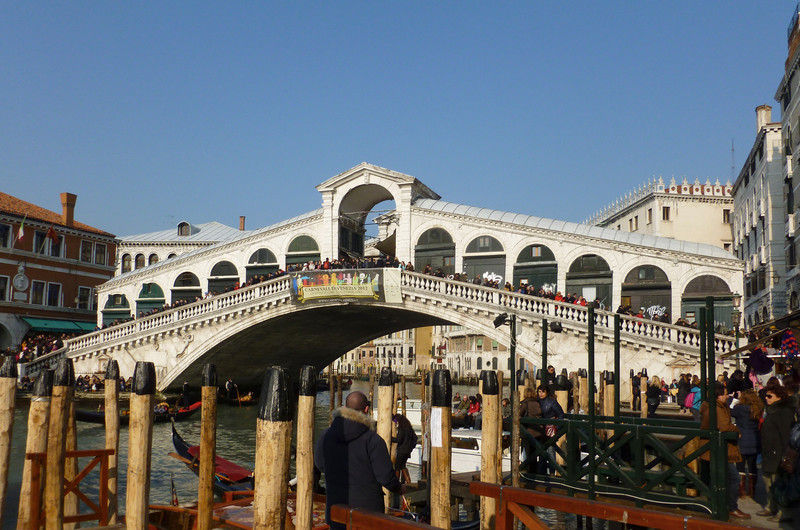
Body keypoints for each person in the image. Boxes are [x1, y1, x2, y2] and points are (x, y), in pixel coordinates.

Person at [314, 391, 406, 529]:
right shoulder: (373, 440)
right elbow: (386, 477)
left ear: (345, 407)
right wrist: (400, 488)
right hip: (367, 512)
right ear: (366, 409)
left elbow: (320, 464)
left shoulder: (326, 435)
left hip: (336, 508)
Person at [700, 382, 750, 520]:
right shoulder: (716, 408)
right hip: (718, 449)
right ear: (719, 395)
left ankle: (721, 504)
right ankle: (731, 507)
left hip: (712, 448)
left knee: (719, 477)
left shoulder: (710, 406)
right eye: (725, 393)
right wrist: (737, 430)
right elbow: (724, 426)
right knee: (733, 477)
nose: (727, 396)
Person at [758, 384, 795, 523]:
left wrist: (786, 454)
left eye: (769, 396)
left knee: (779, 483)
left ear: (779, 397)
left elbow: (785, 434)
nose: (766, 398)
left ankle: (783, 512)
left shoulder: (783, 411)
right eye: (766, 396)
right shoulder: (771, 410)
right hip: (769, 451)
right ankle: (770, 506)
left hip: (778, 452)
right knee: (768, 481)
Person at [731, 389, 763, 499]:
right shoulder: (758, 409)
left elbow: (730, 411)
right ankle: (752, 491)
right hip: (754, 439)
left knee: (740, 467)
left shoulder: (739, 409)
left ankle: (741, 491)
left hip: (742, 440)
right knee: (752, 467)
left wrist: (734, 398)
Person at [391, 413, 417, 483]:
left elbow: (399, 440)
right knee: (403, 466)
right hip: (407, 450)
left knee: (397, 467)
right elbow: (415, 438)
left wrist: (390, 438)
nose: (396, 423)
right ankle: (409, 482)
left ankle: (396, 483)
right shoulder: (409, 427)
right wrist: (411, 447)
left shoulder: (401, 428)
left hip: (402, 450)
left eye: (396, 422)